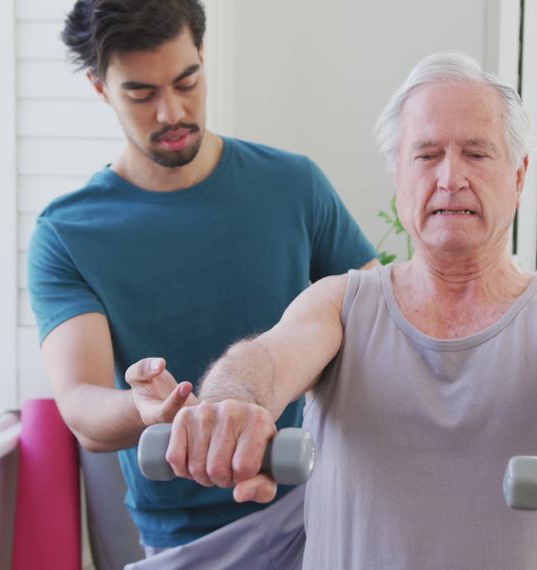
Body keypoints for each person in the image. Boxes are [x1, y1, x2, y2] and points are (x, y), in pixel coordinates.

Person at [141, 52, 537, 569]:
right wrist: (231, 400)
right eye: (426, 155)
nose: (450, 178)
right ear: (398, 177)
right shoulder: (340, 304)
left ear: (518, 176)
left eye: (476, 152)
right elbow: (268, 358)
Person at [26, 0, 377, 560]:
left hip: (322, 507)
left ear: (203, 55)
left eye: (187, 80)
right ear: (100, 87)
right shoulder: (67, 233)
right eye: (141, 94)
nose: (171, 111)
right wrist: (147, 412)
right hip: (189, 542)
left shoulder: (294, 186)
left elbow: (380, 330)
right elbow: (83, 408)